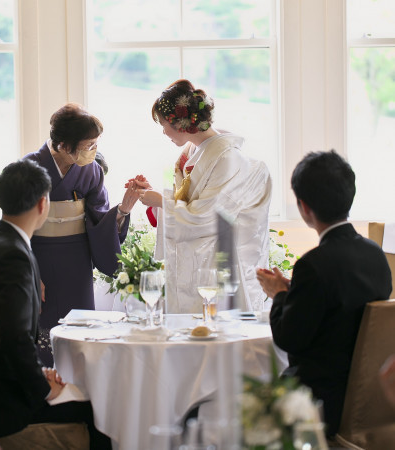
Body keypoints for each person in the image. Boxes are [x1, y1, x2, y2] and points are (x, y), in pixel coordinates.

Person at [0, 160, 111, 449]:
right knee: (105, 413)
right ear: (43, 203)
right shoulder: (13, 256)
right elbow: (13, 340)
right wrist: (43, 388)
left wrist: (39, 371)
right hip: (1, 401)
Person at [256, 150, 392, 437]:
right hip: (371, 398)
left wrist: (279, 294)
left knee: (211, 410)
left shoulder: (314, 265)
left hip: (318, 402)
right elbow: (342, 307)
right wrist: (296, 292)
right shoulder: (375, 254)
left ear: (304, 207)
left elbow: (288, 339)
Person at [136, 79, 272, 314]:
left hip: (216, 263)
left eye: (163, 124)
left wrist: (161, 201)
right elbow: (188, 202)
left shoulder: (229, 158)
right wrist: (155, 198)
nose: (163, 131)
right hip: (195, 260)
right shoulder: (191, 152)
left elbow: (209, 217)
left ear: (180, 123)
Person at [24, 103, 143, 366]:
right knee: (41, 324)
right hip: (38, 255)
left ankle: (79, 385)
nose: (94, 151)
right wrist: (30, 271)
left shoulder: (91, 170)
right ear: (65, 145)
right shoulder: (29, 168)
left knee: (78, 324)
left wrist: (123, 209)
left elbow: (98, 217)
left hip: (76, 260)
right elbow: (18, 225)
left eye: (95, 144)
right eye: (88, 145)